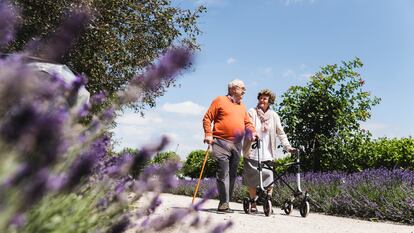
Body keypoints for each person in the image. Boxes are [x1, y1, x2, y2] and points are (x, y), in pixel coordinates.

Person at [203, 79, 258, 213]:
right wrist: (208, 134)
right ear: (233, 89)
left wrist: (253, 132)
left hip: (237, 144)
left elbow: (247, 123)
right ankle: (223, 204)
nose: (244, 91)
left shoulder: (242, 106)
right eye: (242, 88)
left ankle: (227, 201)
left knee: (232, 174)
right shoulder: (220, 100)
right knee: (223, 172)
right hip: (220, 142)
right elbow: (207, 118)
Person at [242, 89, 296, 213]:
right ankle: (253, 202)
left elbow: (281, 133)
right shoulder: (252, 112)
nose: (262, 100)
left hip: (267, 152)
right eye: (260, 98)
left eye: (265, 98)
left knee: (269, 178)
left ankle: (268, 202)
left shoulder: (274, 116)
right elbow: (246, 126)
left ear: (269, 101)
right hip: (253, 150)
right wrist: (252, 134)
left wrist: (288, 147)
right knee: (252, 179)